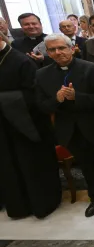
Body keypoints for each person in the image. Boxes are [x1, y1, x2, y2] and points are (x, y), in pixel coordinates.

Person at [35, 33, 94, 217]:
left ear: (71, 48)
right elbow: (41, 106)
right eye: (52, 50)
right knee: (86, 166)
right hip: (68, 130)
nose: (58, 52)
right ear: (48, 53)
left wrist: (77, 97)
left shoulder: (93, 69)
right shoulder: (42, 75)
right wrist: (56, 100)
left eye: (61, 48)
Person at [0, 33, 61, 219]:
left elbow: (35, 95)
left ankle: (42, 204)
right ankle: (18, 207)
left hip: (29, 125)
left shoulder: (21, 61)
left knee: (32, 166)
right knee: (8, 166)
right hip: (3, 127)